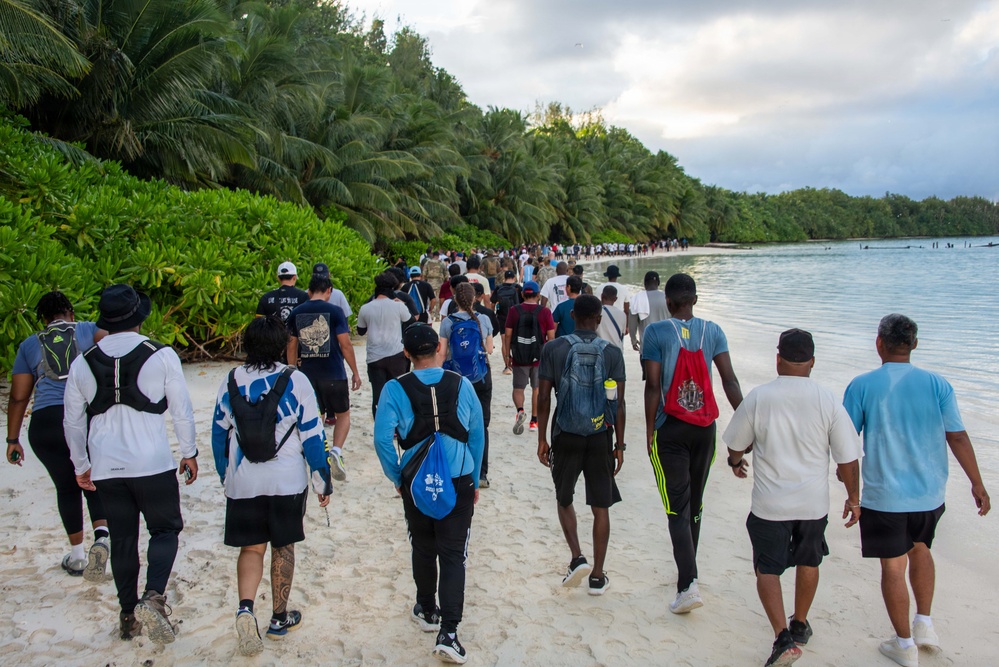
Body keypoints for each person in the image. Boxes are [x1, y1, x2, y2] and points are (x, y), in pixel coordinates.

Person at [842, 314, 991, 667]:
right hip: (929, 494)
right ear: (915, 344)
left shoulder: (862, 385)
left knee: (893, 567)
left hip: (884, 497)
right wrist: (977, 483)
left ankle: (905, 644)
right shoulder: (937, 384)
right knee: (921, 549)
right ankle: (924, 623)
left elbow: (846, 444)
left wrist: (852, 494)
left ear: (879, 343)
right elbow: (957, 436)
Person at [64, 284, 198, 643]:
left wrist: (80, 465)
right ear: (139, 318)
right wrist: (189, 452)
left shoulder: (82, 362)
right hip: (152, 461)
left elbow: (73, 422)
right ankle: (153, 597)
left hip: (105, 464)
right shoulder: (161, 354)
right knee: (164, 530)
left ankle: (127, 616)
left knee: (123, 540)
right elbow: (181, 410)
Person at [723, 329, 863, 667]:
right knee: (809, 560)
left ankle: (782, 637)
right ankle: (800, 623)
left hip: (770, 504)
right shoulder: (827, 399)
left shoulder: (759, 397)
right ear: (812, 362)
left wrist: (736, 462)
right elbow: (848, 458)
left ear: (778, 359)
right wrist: (854, 498)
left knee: (766, 568)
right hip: (813, 504)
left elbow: (735, 444)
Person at [212, 317, 334, 655]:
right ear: (282, 346)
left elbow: (219, 434)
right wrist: (321, 480)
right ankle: (279, 618)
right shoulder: (296, 380)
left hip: (243, 480)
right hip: (286, 480)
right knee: (283, 546)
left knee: (251, 548)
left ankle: (246, 608)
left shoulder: (230, 380)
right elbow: (313, 435)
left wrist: (225, 476)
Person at [372, 324, 484, 665]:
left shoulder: (394, 388)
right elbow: (477, 435)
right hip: (458, 477)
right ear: (439, 348)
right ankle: (449, 632)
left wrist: (397, 475)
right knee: (453, 554)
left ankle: (426, 607)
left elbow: (382, 439)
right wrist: (474, 479)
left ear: (406, 353)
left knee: (422, 544)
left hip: (416, 480)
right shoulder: (462, 384)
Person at [641, 273, 743, 614]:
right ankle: (690, 575)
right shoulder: (713, 331)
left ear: (668, 302)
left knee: (676, 508)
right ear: (695, 300)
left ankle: (687, 585)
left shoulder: (656, 332)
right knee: (695, 505)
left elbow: (653, 386)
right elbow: (729, 380)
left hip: (670, 429)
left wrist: (649, 430)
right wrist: (747, 425)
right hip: (705, 429)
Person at [6, 291, 109, 579]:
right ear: (71, 313)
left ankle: (77, 558)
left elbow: (18, 397)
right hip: (84, 417)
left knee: (66, 487)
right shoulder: (89, 330)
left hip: (46, 423)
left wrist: (12, 440)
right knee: (92, 480)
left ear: (43, 320)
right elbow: (119, 350)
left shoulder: (29, 345)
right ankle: (102, 539)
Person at [537, 295, 626, 596]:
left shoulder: (553, 349)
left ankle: (577, 557)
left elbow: (544, 397)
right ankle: (597, 577)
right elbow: (619, 404)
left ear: (572, 315)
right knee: (601, 506)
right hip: (600, 436)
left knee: (564, 498)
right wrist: (620, 445)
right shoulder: (612, 352)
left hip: (566, 434)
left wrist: (542, 438)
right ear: (599, 319)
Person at [287, 274, 362, 481]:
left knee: (315, 416)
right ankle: (336, 451)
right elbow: (345, 344)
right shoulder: (335, 311)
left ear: (309, 291)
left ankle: (319, 452)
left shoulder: (296, 312)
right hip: (334, 373)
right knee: (343, 415)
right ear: (329, 291)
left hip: (308, 377)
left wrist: (292, 371)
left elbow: (291, 344)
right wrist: (355, 372)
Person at [440, 283, 494, 489]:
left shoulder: (448, 322)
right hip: (481, 378)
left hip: (456, 379)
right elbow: (489, 349)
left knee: (456, 423)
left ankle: (458, 470)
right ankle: (481, 474)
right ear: (474, 299)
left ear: (455, 299)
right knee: (481, 426)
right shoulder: (484, 319)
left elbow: (442, 354)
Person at [356, 272, 415, 416]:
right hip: (396, 355)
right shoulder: (398, 306)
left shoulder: (366, 308)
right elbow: (411, 321)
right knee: (398, 391)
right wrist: (402, 305)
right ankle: (397, 423)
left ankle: (380, 422)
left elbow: (361, 331)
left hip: (375, 357)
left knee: (378, 395)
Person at [504, 281, 556, 435]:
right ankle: (534, 420)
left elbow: (508, 335)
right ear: (538, 295)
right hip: (538, 357)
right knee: (537, 388)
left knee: (518, 388)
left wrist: (507, 355)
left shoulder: (514, 310)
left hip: (519, 355)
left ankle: (520, 411)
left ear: (522, 294)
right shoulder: (545, 312)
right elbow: (551, 337)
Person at [490, 271, 523, 374]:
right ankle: (517, 364)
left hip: (502, 317)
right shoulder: (518, 288)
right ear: (514, 277)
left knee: (504, 341)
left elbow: (492, 303)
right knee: (517, 340)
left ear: (504, 278)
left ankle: (507, 366)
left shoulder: (499, 288)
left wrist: (493, 315)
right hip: (516, 317)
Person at [629, 271, 669, 355]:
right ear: (658, 283)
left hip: (647, 347)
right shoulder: (667, 298)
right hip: (666, 346)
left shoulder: (637, 299)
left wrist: (634, 340)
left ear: (645, 284)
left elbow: (632, 325)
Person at [596, 285, 627, 350]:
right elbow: (622, 335)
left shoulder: (596, 312)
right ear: (615, 299)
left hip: (601, 349)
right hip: (617, 350)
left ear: (602, 296)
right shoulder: (622, 315)